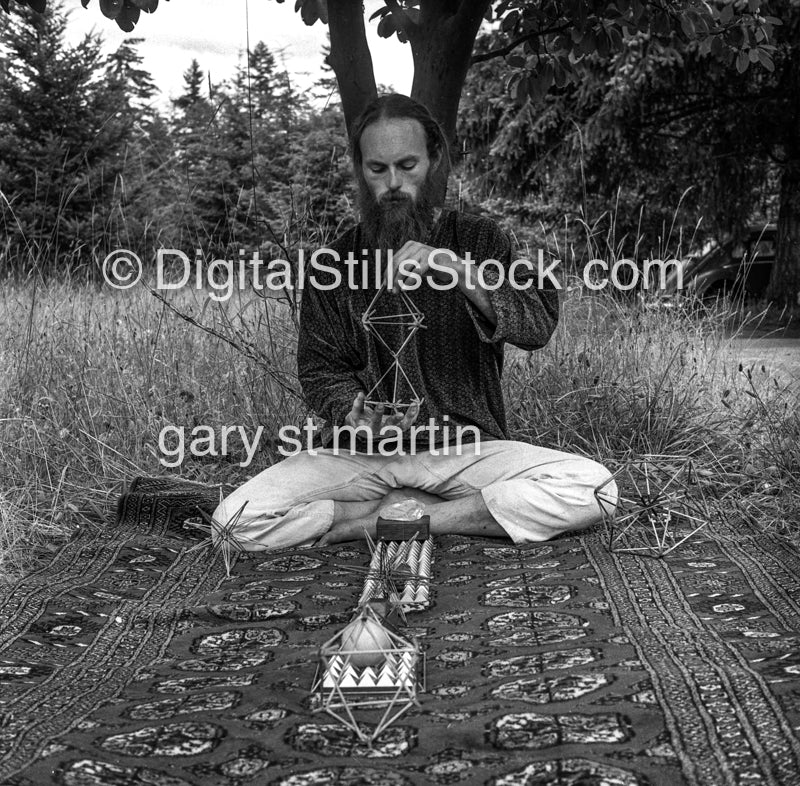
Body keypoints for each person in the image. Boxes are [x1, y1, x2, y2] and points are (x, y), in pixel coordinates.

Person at [213, 93, 616, 550]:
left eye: (408, 165)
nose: (393, 184)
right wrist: (352, 413)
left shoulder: (479, 238)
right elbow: (320, 369)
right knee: (232, 525)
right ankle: (388, 509)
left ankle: (405, 519)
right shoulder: (333, 263)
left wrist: (457, 269)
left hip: (465, 451)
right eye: (377, 169)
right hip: (360, 457)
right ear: (359, 169)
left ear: (435, 159)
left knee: (596, 489)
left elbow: (536, 326)